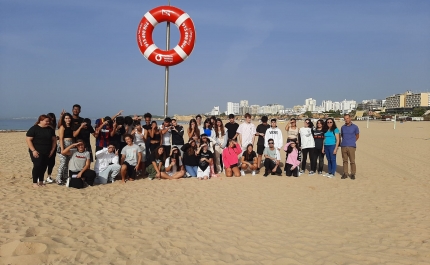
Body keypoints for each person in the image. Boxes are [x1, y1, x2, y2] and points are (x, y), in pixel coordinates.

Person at [26, 115, 56, 188]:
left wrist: (52, 150)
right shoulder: (34, 129)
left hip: (47, 151)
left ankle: (41, 181)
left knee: (44, 166)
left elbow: (54, 140)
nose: (48, 123)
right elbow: (28, 140)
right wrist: (33, 150)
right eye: (46, 121)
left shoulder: (50, 129)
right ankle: (35, 182)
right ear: (41, 121)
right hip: (36, 151)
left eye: (49, 121)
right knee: (37, 165)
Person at [56, 112, 74, 185]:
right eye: (66, 118)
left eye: (69, 118)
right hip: (63, 144)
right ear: (64, 119)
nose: (68, 120)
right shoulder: (62, 127)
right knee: (63, 162)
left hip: (70, 144)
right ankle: (58, 178)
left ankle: (65, 178)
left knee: (67, 163)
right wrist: (62, 148)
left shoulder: (72, 126)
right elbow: (61, 138)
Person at [340, 114, 360, 180]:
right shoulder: (343, 127)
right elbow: (342, 135)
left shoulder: (355, 127)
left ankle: (353, 174)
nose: (346, 120)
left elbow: (357, 135)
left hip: (351, 146)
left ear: (350, 118)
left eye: (347, 118)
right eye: (345, 119)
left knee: (352, 161)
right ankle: (345, 173)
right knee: (345, 161)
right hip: (343, 146)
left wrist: (352, 141)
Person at [44, 112, 57, 184]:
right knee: (44, 162)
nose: (52, 120)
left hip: (53, 146)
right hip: (45, 146)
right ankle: (41, 177)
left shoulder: (53, 127)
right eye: (50, 118)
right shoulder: (44, 127)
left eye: (53, 118)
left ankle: (49, 176)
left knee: (51, 162)